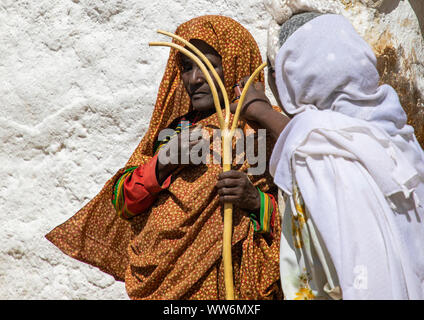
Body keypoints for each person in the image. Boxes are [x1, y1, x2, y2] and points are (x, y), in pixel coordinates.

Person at [46, 15, 282, 300]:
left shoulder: (266, 131)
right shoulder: (173, 131)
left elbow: (307, 209)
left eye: (208, 66)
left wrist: (256, 202)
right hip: (164, 286)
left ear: (234, 64)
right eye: (186, 67)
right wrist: (162, 164)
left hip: (236, 287)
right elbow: (123, 202)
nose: (194, 79)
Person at [232, 12, 424, 299]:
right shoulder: (396, 131)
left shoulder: (319, 153)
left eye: (276, 72)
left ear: (293, 77)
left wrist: (262, 111)